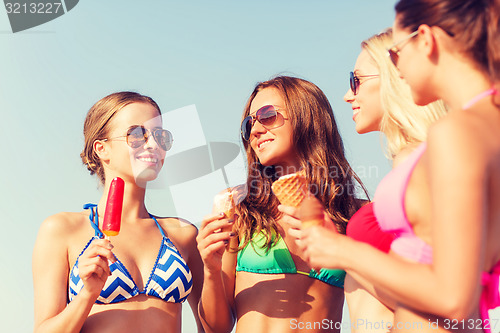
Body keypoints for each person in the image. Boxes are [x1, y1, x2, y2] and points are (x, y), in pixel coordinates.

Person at [295, 1, 500, 332]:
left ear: (426, 40)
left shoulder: (455, 133)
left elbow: (453, 298)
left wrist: (341, 250)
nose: (398, 69)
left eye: (395, 53)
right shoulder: (485, 126)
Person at [196, 76, 367, 333]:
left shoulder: (357, 214)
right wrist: (210, 268)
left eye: (267, 115)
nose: (254, 131)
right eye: (248, 124)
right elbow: (215, 328)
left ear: (306, 116)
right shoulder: (238, 207)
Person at [32, 91, 204, 333]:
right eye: (136, 135)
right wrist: (87, 294)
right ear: (102, 149)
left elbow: (213, 326)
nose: (153, 144)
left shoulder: (184, 233)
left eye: (160, 136)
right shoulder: (62, 229)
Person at [341, 28, 447, 333]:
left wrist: (341, 251)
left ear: (397, 78)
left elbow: (443, 297)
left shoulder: (428, 164)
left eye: (356, 80)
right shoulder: (410, 166)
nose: (349, 95)